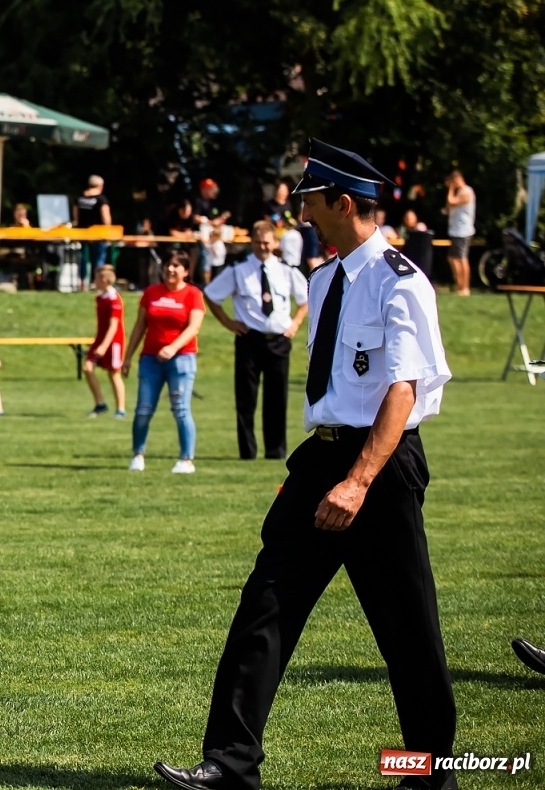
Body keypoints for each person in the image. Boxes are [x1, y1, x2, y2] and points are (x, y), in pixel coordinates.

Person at [155, 140, 456, 790]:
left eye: (312, 201)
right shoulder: (323, 280)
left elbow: (402, 391)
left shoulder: (402, 281)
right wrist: (332, 472)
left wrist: (358, 480)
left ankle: (432, 774)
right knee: (266, 601)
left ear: (345, 203)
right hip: (321, 457)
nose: (302, 213)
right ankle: (231, 764)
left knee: (407, 627)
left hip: (379, 464)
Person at [203, 221, 310, 461]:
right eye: (258, 242)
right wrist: (228, 323)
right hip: (250, 340)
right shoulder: (239, 269)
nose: (263, 247)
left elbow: (305, 298)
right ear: (251, 243)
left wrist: (295, 323)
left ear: (274, 243)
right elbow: (211, 295)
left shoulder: (286, 269)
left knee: (277, 399)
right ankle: (247, 453)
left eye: (267, 242)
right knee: (246, 399)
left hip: (279, 340)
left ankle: (275, 451)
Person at [121, 251, 203, 473]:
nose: (171, 269)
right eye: (168, 265)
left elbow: (193, 327)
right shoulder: (151, 292)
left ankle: (186, 459)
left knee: (181, 409)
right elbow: (140, 326)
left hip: (182, 359)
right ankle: (138, 454)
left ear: (186, 271)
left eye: (177, 266)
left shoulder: (193, 294)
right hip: (150, 360)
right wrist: (127, 357)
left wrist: (173, 347)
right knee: (143, 409)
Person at [83, 264, 127, 419]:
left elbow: (114, 326)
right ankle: (100, 404)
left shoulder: (114, 300)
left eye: (95, 278)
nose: (93, 281)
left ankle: (120, 409)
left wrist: (103, 346)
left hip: (113, 342)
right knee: (87, 368)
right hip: (100, 340)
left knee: (114, 374)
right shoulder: (100, 298)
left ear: (103, 279)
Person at [442, 169, 475, 295]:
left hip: (463, 231)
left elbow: (451, 202)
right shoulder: (460, 193)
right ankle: (459, 285)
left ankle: (465, 288)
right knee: (452, 258)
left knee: (461, 258)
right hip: (456, 231)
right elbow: (448, 207)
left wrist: (450, 189)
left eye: (452, 182)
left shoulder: (467, 191)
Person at [74, 175, 112, 280]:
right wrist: (108, 232)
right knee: (99, 260)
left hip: (83, 235)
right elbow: (106, 218)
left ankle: (82, 283)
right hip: (98, 235)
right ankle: (97, 282)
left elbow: (76, 218)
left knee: (83, 259)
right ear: (100, 186)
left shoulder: (80, 198)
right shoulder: (101, 199)